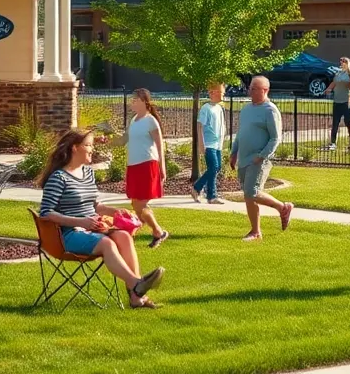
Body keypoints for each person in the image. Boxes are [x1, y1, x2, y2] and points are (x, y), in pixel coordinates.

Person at [38, 129, 165, 308]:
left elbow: (95, 206)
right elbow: (46, 213)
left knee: (124, 237)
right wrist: (79, 222)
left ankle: (136, 297)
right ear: (75, 148)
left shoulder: (88, 174)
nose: (92, 149)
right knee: (107, 244)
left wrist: (117, 212)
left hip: (93, 229)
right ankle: (136, 284)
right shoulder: (59, 178)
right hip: (67, 235)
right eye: (89, 145)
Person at [229, 76, 293, 240]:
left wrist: (262, 155)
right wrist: (234, 152)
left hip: (258, 160)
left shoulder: (270, 110)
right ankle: (255, 231)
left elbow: (275, 138)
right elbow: (240, 134)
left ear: (265, 90)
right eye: (250, 87)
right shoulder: (246, 109)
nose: (250, 91)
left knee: (252, 192)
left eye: (254, 88)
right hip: (243, 158)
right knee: (248, 196)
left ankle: (282, 207)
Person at [122, 88, 169, 248]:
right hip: (133, 166)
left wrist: (162, 166)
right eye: (132, 100)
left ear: (144, 101)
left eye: (135, 100)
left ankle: (154, 231)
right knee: (135, 205)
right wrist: (104, 140)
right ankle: (155, 232)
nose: (132, 103)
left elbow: (159, 144)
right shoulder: (134, 120)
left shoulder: (151, 121)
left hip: (147, 164)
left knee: (140, 205)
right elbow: (125, 140)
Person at [191, 83, 227, 205]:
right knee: (213, 167)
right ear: (213, 93)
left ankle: (199, 188)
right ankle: (210, 195)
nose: (223, 95)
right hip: (209, 144)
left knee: (217, 168)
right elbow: (199, 126)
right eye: (221, 92)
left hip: (217, 144)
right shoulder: (206, 108)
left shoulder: (219, 108)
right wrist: (201, 144)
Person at [323, 57, 350, 151]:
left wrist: (349, 69)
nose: (342, 63)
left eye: (345, 62)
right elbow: (334, 83)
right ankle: (333, 143)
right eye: (341, 61)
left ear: (349, 63)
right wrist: (328, 89)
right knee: (335, 123)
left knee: (348, 122)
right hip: (337, 101)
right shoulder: (338, 73)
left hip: (347, 101)